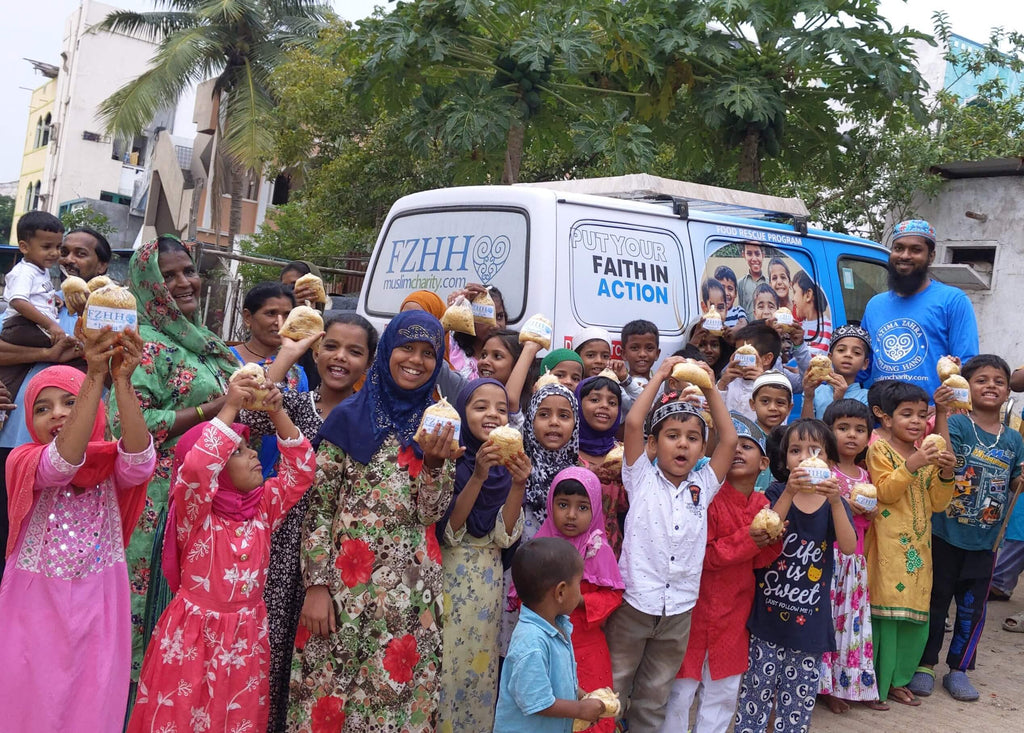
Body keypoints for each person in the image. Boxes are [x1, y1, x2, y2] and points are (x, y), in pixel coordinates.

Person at [288, 311, 459, 731]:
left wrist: (434, 464)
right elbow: (319, 508)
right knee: (330, 695)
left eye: (427, 353)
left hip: (408, 597)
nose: (415, 360)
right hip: (342, 594)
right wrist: (316, 586)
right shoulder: (347, 417)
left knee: (391, 703)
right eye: (406, 348)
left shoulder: (439, 422)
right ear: (387, 351)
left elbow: (430, 516)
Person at [127, 374, 315, 732]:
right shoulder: (195, 514)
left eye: (250, 448)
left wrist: (277, 413)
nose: (254, 455)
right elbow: (196, 468)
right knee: (181, 714)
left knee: (234, 718)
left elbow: (302, 471)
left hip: (245, 636)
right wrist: (230, 406)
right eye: (238, 453)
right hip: (192, 637)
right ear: (219, 471)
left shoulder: (263, 508)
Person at [0, 331, 156, 733]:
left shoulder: (110, 463)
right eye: (43, 408)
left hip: (101, 598)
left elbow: (139, 463)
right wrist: (93, 375)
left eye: (70, 402)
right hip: (33, 602)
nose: (58, 413)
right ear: (28, 423)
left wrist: (120, 380)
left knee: (94, 694)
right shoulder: (23, 460)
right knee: (29, 696)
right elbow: (62, 463)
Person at [237, 313, 377, 733]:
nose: (340, 358)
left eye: (355, 351)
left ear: (369, 362)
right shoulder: (295, 403)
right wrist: (288, 352)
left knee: (318, 660)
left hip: (336, 555)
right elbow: (256, 410)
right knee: (271, 648)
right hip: (282, 546)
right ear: (316, 351)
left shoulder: (367, 417)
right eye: (331, 346)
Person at [111, 235, 241, 683]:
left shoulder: (202, 340)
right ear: (147, 284)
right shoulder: (142, 343)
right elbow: (130, 426)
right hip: (161, 499)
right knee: (154, 613)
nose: (183, 282)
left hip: (210, 499)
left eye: (188, 270)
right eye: (168, 276)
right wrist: (215, 407)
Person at [606, 355, 736, 733]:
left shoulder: (704, 485)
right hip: (635, 604)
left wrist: (710, 388)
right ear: (654, 442)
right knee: (615, 686)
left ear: (701, 448)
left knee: (654, 696)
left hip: (679, 609)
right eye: (672, 436)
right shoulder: (640, 477)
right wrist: (661, 375)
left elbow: (728, 439)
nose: (682, 445)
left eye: (693, 438)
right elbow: (632, 421)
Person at [907, 355, 1024, 702]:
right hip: (945, 534)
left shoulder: (1014, 438)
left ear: (1008, 392)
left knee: (972, 610)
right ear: (967, 388)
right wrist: (942, 412)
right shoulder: (958, 426)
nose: (991, 385)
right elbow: (944, 455)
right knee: (936, 603)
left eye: (999, 381)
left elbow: (1016, 479)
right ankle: (925, 665)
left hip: (986, 543)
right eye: (982, 380)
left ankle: (958, 669)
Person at [0, 227, 109, 581]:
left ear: (103, 265)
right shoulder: (42, 303)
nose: (68, 260)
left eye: (82, 254)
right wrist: (47, 353)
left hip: (70, 451)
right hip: (12, 439)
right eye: (64, 251)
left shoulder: (107, 314)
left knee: (53, 552)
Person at [661, 415, 782, 733]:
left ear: (764, 463)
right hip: (694, 608)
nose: (739, 451)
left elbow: (763, 559)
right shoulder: (704, 497)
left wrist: (769, 535)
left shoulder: (761, 504)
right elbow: (702, 555)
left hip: (734, 614)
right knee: (679, 692)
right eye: (734, 446)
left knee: (723, 694)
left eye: (748, 446)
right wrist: (748, 540)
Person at [735, 419, 856, 733]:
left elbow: (849, 546)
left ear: (829, 460)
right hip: (767, 618)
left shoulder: (835, 503)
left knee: (797, 705)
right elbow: (768, 527)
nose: (804, 457)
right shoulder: (776, 492)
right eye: (795, 450)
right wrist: (788, 491)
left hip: (810, 624)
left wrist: (835, 500)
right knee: (755, 693)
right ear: (784, 460)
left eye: (814, 450)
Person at [438, 378, 531, 733]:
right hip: (450, 577)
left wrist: (519, 484)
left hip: (488, 583)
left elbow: (504, 536)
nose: (492, 414)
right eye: (480, 407)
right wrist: (477, 474)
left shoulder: (510, 467)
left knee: (479, 667)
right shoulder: (453, 458)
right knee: (447, 663)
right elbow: (450, 531)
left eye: (502, 409)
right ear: (463, 412)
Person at [865, 382, 956, 706]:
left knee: (913, 616)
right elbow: (885, 492)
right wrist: (914, 463)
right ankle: (873, 682)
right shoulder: (877, 447)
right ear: (886, 418)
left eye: (921, 414)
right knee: (885, 616)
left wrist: (945, 473)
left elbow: (938, 503)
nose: (916, 421)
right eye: (906, 414)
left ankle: (896, 680)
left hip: (918, 549)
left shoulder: (924, 450)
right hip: (887, 547)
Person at [527, 468, 624, 733]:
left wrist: (580, 600)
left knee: (593, 710)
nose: (571, 515)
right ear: (550, 505)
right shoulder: (540, 548)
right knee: (553, 708)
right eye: (562, 505)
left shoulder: (598, 550)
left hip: (588, 647)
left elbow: (613, 595)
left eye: (582, 507)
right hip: (546, 645)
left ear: (595, 511)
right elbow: (523, 595)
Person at [494, 537, 606, 733]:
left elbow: (552, 683)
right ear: (561, 592)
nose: (580, 594)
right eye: (578, 584)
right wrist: (579, 710)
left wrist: (582, 697)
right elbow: (538, 701)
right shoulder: (531, 643)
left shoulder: (556, 626)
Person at [861, 220, 979, 394]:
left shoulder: (953, 300)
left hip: (930, 415)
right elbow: (863, 362)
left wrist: (944, 410)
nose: (905, 256)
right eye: (898, 248)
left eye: (915, 250)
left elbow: (968, 364)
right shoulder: (875, 304)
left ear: (931, 256)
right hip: (880, 415)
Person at [818, 399, 884, 712]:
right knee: (828, 622)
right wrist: (842, 503)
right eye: (843, 428)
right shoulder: (824, 472)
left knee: (850, 625)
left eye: (860, 430)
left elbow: (869, 520)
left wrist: (869, 513)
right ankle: (823, 686)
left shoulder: (865, 474)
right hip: (828, 558)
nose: (851, 435)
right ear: (829, 433)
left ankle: (848, 682)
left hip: (855, 562)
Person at [231, 281, 308, 477]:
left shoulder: (296, 373)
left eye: (286, 315)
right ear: (248, 317)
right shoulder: (225, 361)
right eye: (271, 313)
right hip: (230, 475)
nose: (279, 322)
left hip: (276, 479)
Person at [0, 211, 65, 397]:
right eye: (47, 247)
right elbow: (19, 301)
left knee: (12, 375)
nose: (55, 253)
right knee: (68, 346)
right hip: (23, 326)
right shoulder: (25, 272)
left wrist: (54, 300)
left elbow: (38, 295)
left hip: (30, 327)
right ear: (24, 247)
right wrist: (51, 324)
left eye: (58, 246)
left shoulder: (40, 269)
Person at [575, 375, 627, 556]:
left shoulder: (623, 454)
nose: (604, 405)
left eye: (612, 402)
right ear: (577, 405)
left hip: (610, 551)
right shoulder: (565, 450)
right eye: (595, 399)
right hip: (570, 550)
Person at [802, 324, 871, 419]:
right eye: (841, 350)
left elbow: (852, 431)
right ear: (829, 358)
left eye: (856, 353)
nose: (848, 355)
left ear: (865, 364)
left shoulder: (866, 397)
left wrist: (839, 401)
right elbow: (805, 429)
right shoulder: (816, 391)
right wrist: (808, 397)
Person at [717, 322, 780, 420]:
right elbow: (712, 413)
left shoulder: (780, 386)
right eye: (738, 352)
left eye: (746, 355)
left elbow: (777, 422)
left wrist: (762, 384)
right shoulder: (729, 382)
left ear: (767, 359)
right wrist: (722, 384)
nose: (739, 359)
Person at [448, 284, 508, 379]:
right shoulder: (452, 349)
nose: (495, 325)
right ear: (469, 319)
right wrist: (454, 308)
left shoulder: (512, 356)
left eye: (500, 317)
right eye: (487, 318)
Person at [791, 270, 831, 356]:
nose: (793, 299)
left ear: (808, 295)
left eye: (794, 292)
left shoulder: (828, 328)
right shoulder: (797, 327)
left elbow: (819, 356)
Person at [715, 266, 749, 332]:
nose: (726, 293)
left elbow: (743, 324)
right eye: (721, 288)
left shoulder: (739, 311)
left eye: (730, 289)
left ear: (735, 293)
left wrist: (727, 332)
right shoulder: (712, 312)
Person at [737, 241, 767, 315]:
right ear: (744, 255)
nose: (754, 259)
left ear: (763, 255)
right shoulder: (740, 283)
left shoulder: (769, 282)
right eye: (749, 254)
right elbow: (741, 310)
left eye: (757, 254)